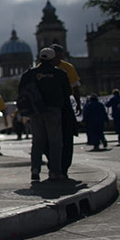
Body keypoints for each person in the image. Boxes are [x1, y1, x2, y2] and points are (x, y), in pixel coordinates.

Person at [18, 47, 71, 183]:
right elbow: (67, 93)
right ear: (53, 58)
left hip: (36, 111)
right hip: (54, 111)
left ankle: (35, 170)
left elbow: (21, 92)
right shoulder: (59, 73)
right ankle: (54, 172)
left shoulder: (30, 73)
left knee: (37, 141)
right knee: (55, 141)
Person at [51, 44, 80, 178]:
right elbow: (74, 88)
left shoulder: (67, 67)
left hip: (59, 107)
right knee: (56, 138)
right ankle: (57, 167)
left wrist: (78, 104)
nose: (58, 59)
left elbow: (75, 88)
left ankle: (62, 168)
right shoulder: (64, 68)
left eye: (60, 57)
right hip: (56, 108)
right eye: (56, 56)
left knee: (66, 138)